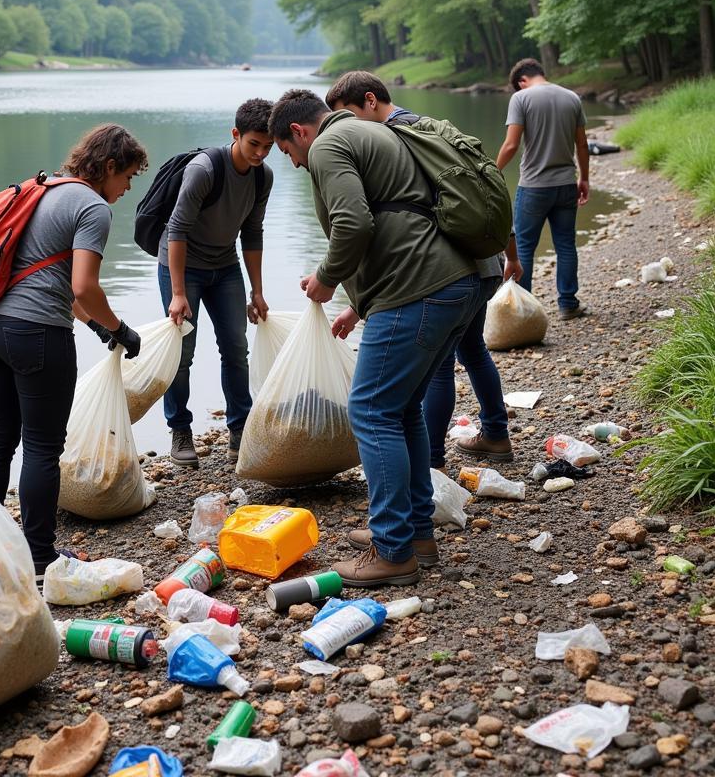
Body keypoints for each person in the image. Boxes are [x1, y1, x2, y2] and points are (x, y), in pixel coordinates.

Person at [269, 89, 480, 588]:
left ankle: (393, 550)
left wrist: (325, 275)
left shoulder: (326, 144)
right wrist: (359, 302)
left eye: (288, 154)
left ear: (299, 132)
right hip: (455, 283)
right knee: (402, 409)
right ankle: (415, 534)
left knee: (370, 410)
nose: (296, 165)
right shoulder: (374, 130)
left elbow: (354, 221)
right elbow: (395, 216)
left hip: (417, 290)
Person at [0, 124, 146, 582]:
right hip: (35, 336)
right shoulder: (92, 207)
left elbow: (43, 275)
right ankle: (38, 556)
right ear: (108, 167)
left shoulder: (40, 189)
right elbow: (83, 285)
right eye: (127, 177)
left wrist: (93, 325)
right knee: (43, 449)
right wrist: (120, 328)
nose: (126, 188)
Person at [324, 71, 521, 467]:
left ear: (370, 100)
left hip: (455, 266)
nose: (347, 130)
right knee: (473, 350)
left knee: (439, 368)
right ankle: (496, 434)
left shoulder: (399, 139)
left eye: (348, 116)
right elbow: (477, 188)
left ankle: (430, 460)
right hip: (482, 260)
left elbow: (414, 227)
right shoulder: (428, 126)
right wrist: (509, 253)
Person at [158, 98, 275, 466]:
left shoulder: (263, 176)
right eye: (254, 144)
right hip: (182, 266)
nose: (260, 153)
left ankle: (240, 428)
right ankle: (180, 430)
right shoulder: (205, 169)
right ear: (236, 134)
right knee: (181, 354)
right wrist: (178, 293)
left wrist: (256, 291)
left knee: (235, 348)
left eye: (268, 147)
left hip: (225, 266)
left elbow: (252, 233)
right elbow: (176, 229)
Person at [497, 58, 590, 320]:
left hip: (534, 187)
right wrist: (584, 178)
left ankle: (522, 311)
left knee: (524, 246)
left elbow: (511, 145)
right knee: (566, 245)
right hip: (565, 184)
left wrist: (491, 171)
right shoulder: (572, 97)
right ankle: (568, 304)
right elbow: (582, 145)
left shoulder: (521, 99)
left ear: (522, 81)